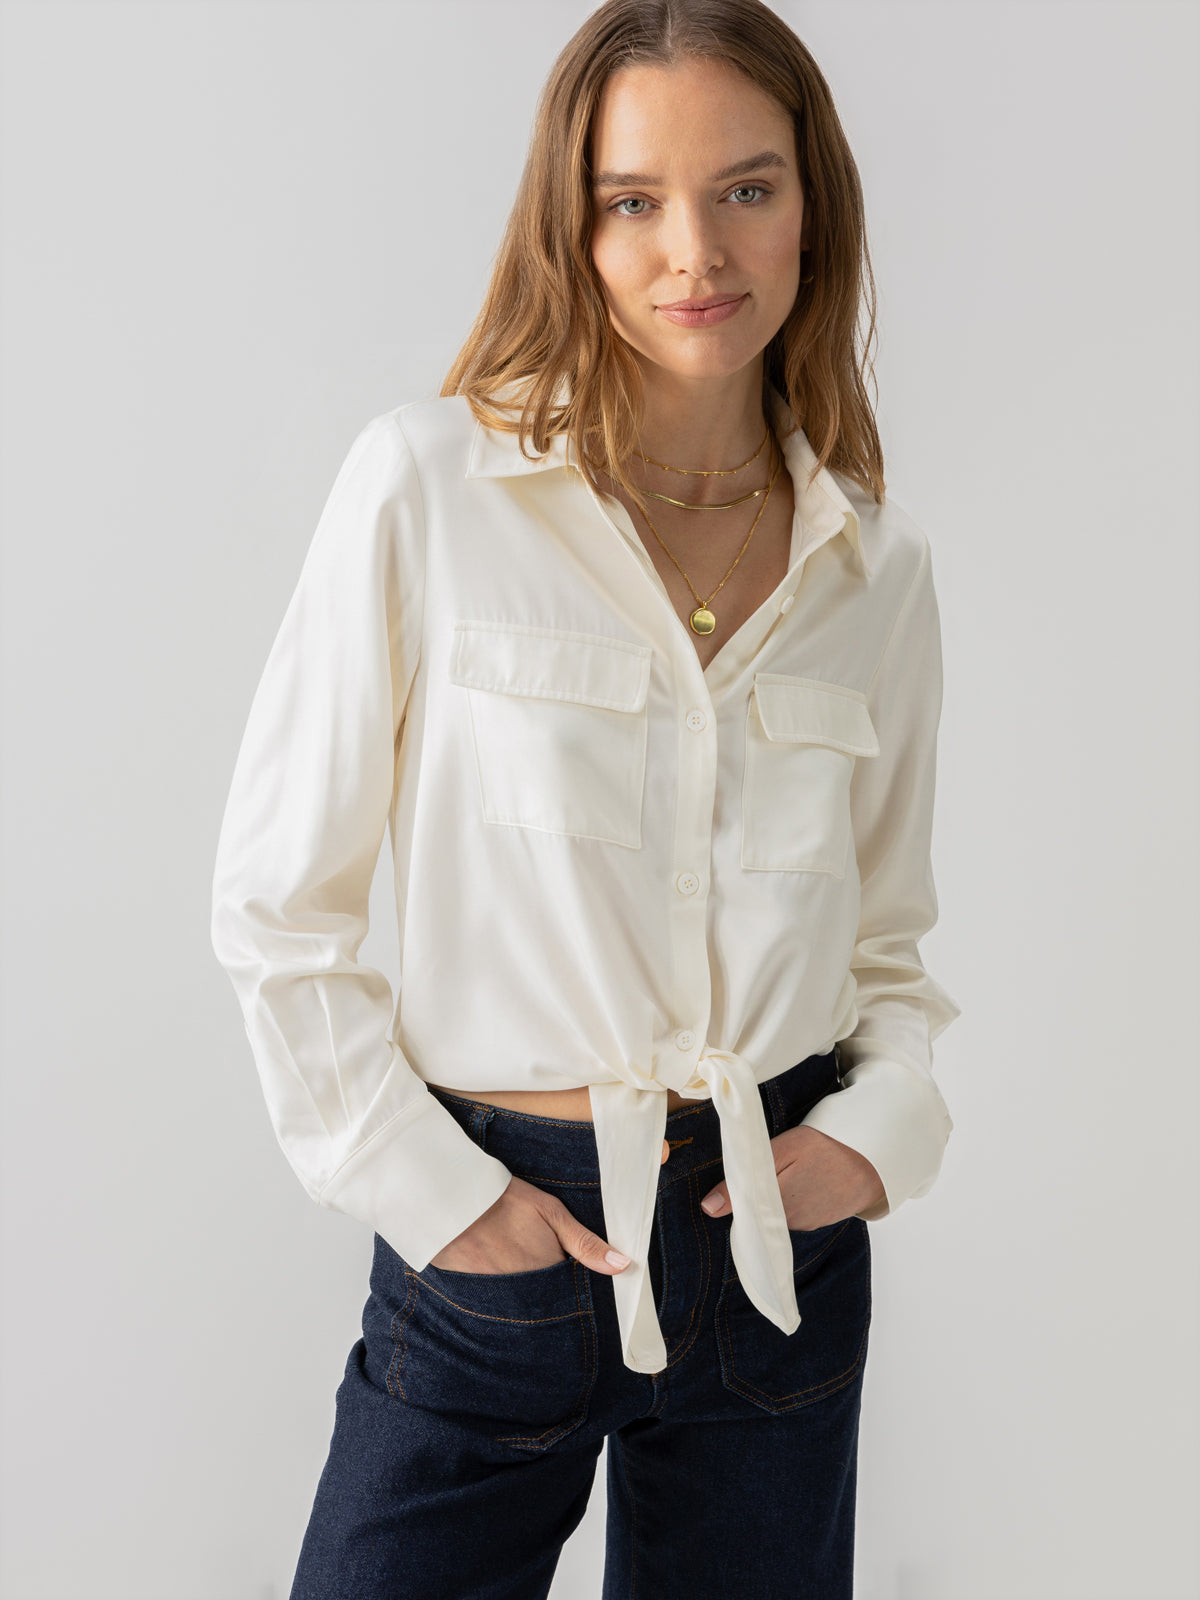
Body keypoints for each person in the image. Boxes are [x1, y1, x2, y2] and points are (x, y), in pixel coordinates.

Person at [210, 1, 962, 1595]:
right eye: (635, 201)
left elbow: (889, 944)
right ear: (575, 221)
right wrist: (441, 1199)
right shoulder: (429, 488)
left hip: (778, 1246)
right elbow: (281, 902)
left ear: (814, 206)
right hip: (500, 1243)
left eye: (747, 188)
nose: (695, 247)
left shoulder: (874, 572)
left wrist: (873, 1142)